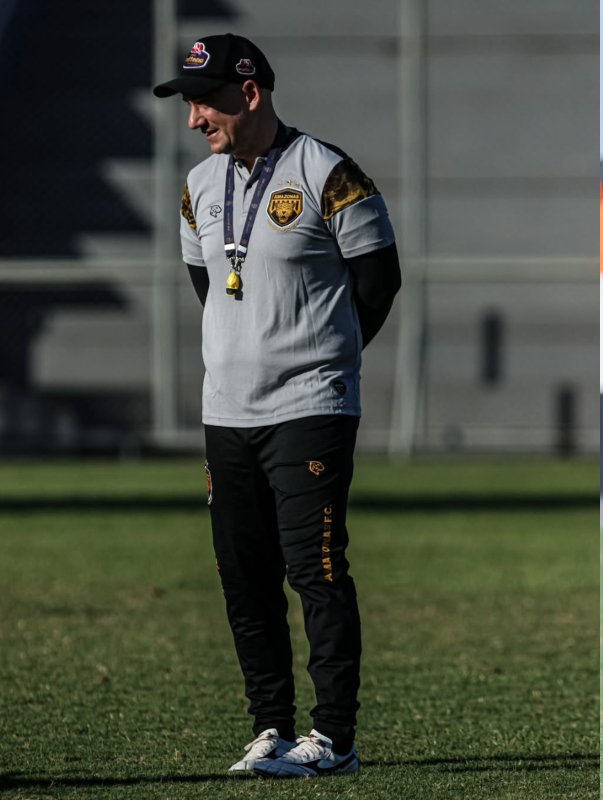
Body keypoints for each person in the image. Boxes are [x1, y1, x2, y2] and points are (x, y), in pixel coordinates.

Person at [153, 33, 401, 778]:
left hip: (310, 406)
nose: (195, 118)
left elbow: (379, 280)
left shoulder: (329, 173)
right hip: (226, 410)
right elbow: (210, 286)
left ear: (250, 92)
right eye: (189, 103)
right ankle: (270, 727)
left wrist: (323, 360)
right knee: (243, 574)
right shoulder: (198, 185)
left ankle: (333, 741)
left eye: (205, 101)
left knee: (316, 571)